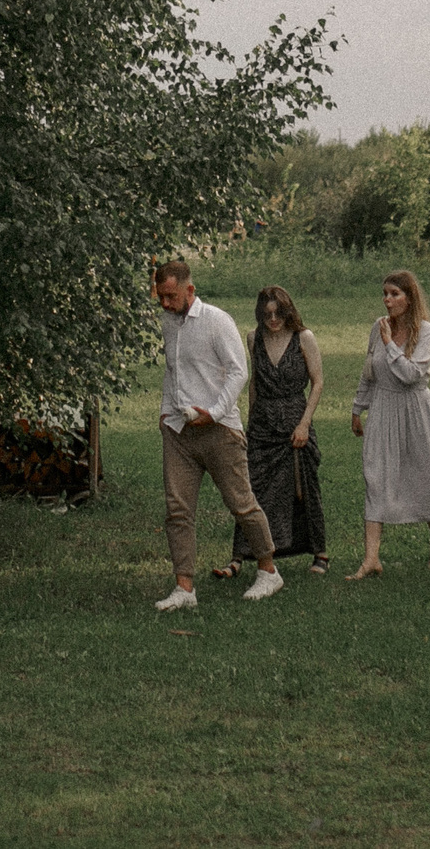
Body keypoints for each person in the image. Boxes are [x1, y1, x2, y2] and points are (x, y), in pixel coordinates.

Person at [149, 260, 283, 609]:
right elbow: (174, 372)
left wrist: (215, 413)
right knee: (178, 510)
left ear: (189, 290)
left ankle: (269, 571)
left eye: (171, 296)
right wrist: (166, 414)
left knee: (241, 502)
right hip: (179, 431)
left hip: (220, 430)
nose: (165, 303)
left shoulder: (216, 321)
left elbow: (239, 372)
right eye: (160, 296)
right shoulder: (168, 322)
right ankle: (184, 589)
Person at [213, 285, 327, 579]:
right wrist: (250, 423)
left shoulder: (304, 338)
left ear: (288, 311)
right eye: (267, 315)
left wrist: (304, 423)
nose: (273, 320)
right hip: (263, 422)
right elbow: (253, 384)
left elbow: (317, 382)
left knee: (303, 487)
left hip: (294, 419)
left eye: (278, 313)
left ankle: (319, 552)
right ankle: (239, 556)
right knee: (252, 488)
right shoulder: (254, 338)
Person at [347, 269, 430, 579]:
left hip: (415, 408)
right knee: (375, 475)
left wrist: (391, 344)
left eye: (394, 294)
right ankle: (371, 558)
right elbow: (370, 371)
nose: (387, 300)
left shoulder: (426, 331)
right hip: (382, 407)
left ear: (409, 298)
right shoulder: (377, 328)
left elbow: (410, 375)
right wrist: (357, 408)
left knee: (425, 473)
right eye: (385, 294)